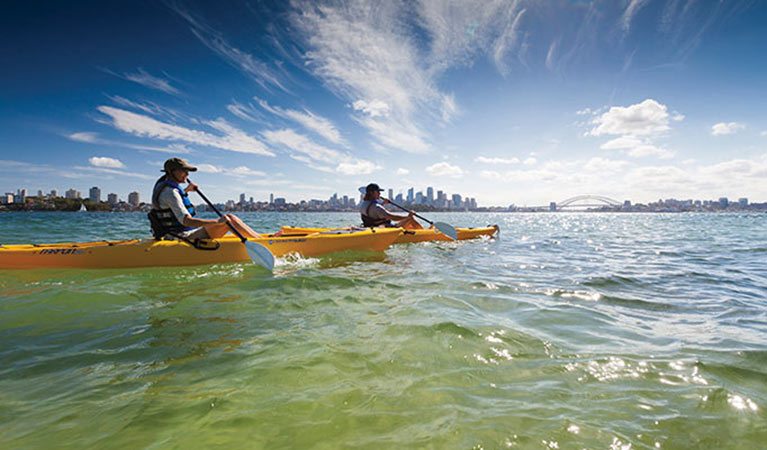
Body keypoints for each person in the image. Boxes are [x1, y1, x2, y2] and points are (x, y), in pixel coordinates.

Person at [148, 157, 263, 241]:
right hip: (180, 237)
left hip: (182, 233)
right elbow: (186, 221)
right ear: (171, 172)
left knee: (229, 218)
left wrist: (186, 191)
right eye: (183, 170)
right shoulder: (170, 192)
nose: (187, 174)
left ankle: (259, 238)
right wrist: (216, 222)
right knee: (229, 220)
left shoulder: (166, 188)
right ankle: (263, 242)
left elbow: (169, 203)